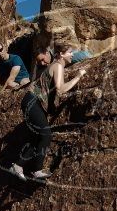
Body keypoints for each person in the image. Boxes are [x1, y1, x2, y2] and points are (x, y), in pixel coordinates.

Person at [9, 44, 87, 181]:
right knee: (46, 135)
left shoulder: (56, 65)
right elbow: (61, 89)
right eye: (69, 52)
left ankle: (18, 166)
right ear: (61, 54)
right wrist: (78, 76)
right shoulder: (57, 66)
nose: (72, 55)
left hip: (32, 103)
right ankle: (36, 170)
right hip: (32, 102)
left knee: (38, 138)